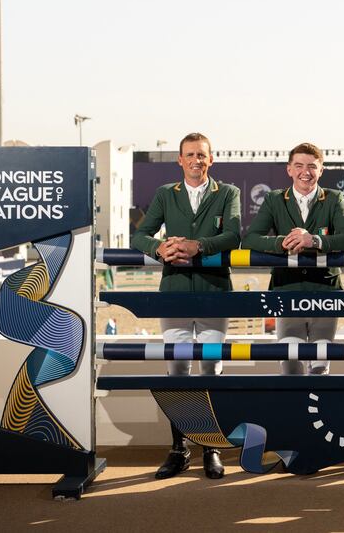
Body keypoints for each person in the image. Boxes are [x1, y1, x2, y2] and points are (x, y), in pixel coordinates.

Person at [131, 132, 241, 480]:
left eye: (202, 155)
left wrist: (197, 246)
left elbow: (234, 235)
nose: (196, 160)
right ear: (180, 160)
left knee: (211, 370)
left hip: (214, 291)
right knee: (178, 373)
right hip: (175, 292)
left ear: (212, 159)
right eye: (190, 155)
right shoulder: (166, 194)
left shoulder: (228, 193)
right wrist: (159, 249)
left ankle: (211, 448)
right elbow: (139, 235)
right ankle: (179, 450)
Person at [242, 142, 344, 375]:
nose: (306, 172)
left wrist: (314, 241)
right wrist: (282, 242)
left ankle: (318, 410)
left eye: (312, 166)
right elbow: (250, 239)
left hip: (325, 292)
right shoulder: (274, 199)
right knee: (290, 365)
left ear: (321, 170)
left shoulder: (335, 198)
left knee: (320, 367)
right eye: (299, 165)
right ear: (289, 169)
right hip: (287, 291)